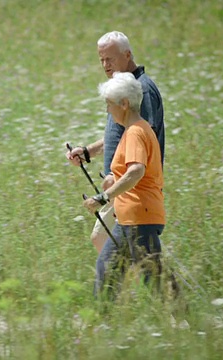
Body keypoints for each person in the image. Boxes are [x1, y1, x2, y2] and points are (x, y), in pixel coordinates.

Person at [66, 31, 164, 254]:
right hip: (123, 186)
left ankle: (125, 285)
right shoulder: (121, 87)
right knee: (116, 246)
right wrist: (87, 152)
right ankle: (134, 283)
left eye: (110, 59)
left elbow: (140, 139)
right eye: (101, 59)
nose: (105, 65)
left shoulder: (140, 89)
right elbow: (120, 137)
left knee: (106, 242)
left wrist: (115, 181)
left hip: (134, 190)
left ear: (128, 54)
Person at [82, 72, 165, 296]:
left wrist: (103, 196)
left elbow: (137, 170)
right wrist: (115, 180)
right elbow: (132, 172)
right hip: (133, 215)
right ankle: (103, 324)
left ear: (124, 104)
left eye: (109, 105)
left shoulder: (136, 131)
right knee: (109, 269)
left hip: (140, 215)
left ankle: (187, 322)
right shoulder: (135, 130)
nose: (108, 110)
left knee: (154, 279)